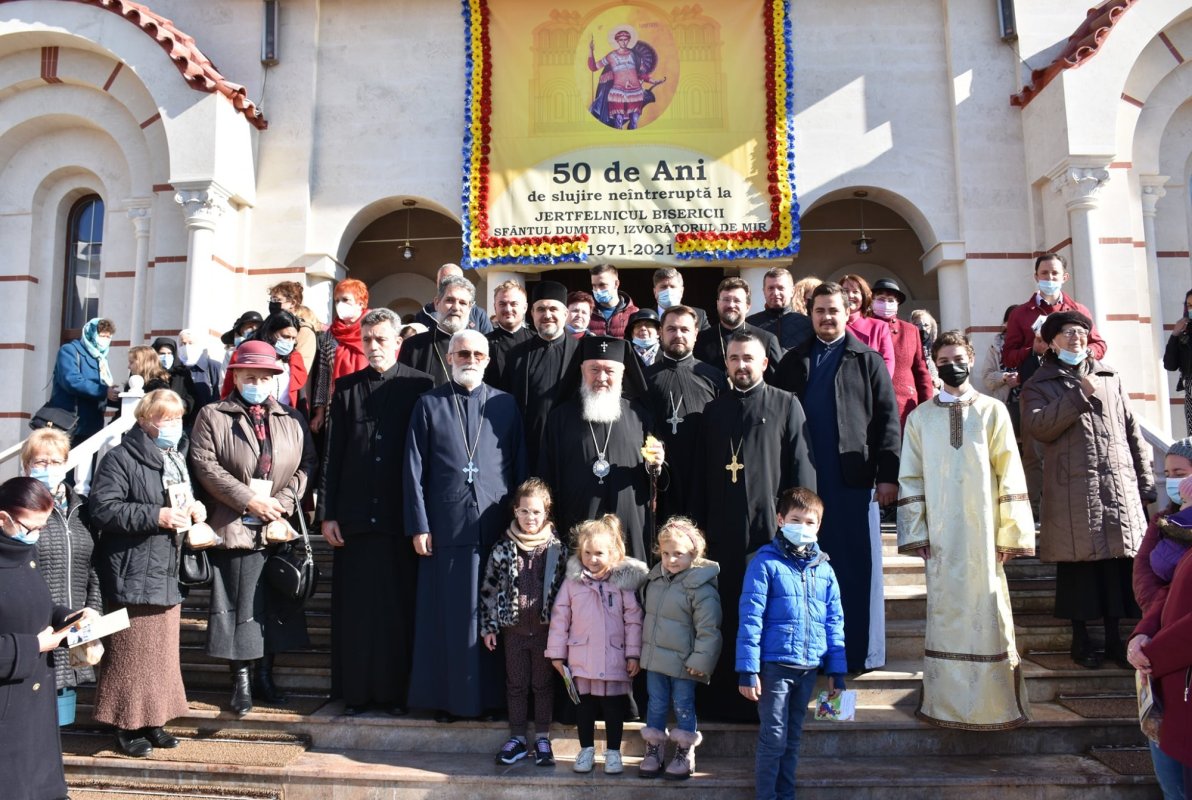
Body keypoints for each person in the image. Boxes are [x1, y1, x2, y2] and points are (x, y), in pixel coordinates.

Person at [897, 330, 1035, 730]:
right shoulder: (921, 418)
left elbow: (1010, 471)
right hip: (941, 539)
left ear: (971, 360)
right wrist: (916, 531)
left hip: (985, 534)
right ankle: (945, 704)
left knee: (989, 613)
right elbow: (910, 477)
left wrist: (1010, 533)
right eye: (943, 360)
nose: (951, 366)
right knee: (946, 615)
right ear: (934, 364)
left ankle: (994, 705)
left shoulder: (993, 411)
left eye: (958, 358)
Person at [774, 282, 901, 674]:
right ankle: (805, 655)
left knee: (850, 570)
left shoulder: (867, 360)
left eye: (833, 310)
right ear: (810, 315)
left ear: (848, 312)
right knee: (802, 571)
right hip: (804, 485)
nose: (827, 318)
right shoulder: (793, 361)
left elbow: (887, 422)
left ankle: (855, 653)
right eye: (819, 311)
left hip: (852, 482)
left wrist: (888, 477)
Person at [404, 330, 528, 721]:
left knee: (493, 614)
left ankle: (493, 701)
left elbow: (520, 463)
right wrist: (419, 524)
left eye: (477, 353)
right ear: (449, 357)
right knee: (450, 616)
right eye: (462, 353)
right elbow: (413, 469)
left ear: (488, 360)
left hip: (495, 525)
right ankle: (449, 701)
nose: (469, 359)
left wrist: (523, 523)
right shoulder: (428, 404)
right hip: (447, 527)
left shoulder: (505, 405)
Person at [1020, 310, 1155, 669]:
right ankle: (1082, 640)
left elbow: (1132, 432)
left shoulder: (1110, 377)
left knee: (1116, 569)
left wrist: (1146, 480)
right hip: (1071, 491)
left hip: (1116, 486)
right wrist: (1078, 395)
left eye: (1081, 332)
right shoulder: (1039, 383)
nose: (1076, 338)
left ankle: (1116, 640)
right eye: (1066, 333)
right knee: (1079, 570)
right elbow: (1039, 427)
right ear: (1050, 342)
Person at [189, 340, 316, 714]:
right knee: (239, 606)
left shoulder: (290, 418)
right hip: (235, 524)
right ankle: (241, 682)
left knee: (274, 606)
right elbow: (205, 465)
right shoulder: (212, 414)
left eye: (264, 376)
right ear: (235, 376)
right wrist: (248, 500)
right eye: (249, 376)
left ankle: (265, 677)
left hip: (277, 525)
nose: (257, 382)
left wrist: (284, 503)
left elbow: (308, 463)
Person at [318, 308, 433, 715]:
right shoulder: (346, 386)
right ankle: (357, 694)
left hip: (398, 519)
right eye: (368, 340)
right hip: (354, 517)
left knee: (397, 612)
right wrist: (328, 512)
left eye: (382, 340)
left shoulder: (422, 385)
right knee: (358, 612)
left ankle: (397, 694)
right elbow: (334, 453)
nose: (374, 347)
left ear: (397, 343)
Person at [697, 331, 816, 720]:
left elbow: (802, 473)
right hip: (721, 535)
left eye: (748, 358)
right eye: (734, 359)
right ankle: (724, 702)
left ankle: (767, 704)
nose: (741, 365)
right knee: (727, 614)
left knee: (767, 617)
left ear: (764, 363)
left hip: (771, 535)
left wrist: (800, 531)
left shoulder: (786, 404)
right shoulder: (713, 412)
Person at [89, 389, 203, 756]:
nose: (172, 425)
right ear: (144, 420)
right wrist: (156, 515)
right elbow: (103, 509)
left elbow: (179, 500)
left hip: (167, 568)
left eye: (177, 418)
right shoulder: (119, 458)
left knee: (162, 655)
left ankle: (155, 721)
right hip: (132, 569)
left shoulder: (175, 459)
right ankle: (125, 725)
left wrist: (194, 510)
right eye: (164, 418)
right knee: (130, 654)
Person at [737, 487, 845, 800]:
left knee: (793, 737)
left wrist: (836, 672)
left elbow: (834, 623)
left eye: (810, 522)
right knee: (774, 737)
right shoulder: (765, 564)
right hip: (775, 667)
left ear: (819, 526)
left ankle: (786, 794)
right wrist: (747, 669)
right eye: (796, 519)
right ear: (781, 520)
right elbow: (751, 618)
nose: (803, 526)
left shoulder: (825, 569)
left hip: (808, 667)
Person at [0, 477, 100, 800]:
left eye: (43, 528)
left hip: (35, 707)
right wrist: (34, 646)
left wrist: (71, 617)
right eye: (32, 528)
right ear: (3, 519)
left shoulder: (25, 553)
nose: (37, 536)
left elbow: (40, 605)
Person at [538, 337, 662, 562]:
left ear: (623, 373)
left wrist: (656, 464)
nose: (601, 377)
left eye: (609, 371)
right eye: (594, 369)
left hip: (628, 522)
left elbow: (655, 471)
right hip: (576, 518)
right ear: (582, 370)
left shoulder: (640, 415)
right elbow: (547, 473)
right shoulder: (560, 417)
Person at [546, 515, 648, 774]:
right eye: (587, 553)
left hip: (614, 657)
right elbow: (560, 617)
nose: (592, 559)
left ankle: (613, 752)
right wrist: (557, 654)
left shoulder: (622, 584)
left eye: (599, 553)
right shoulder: (572, 583)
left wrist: (634, 654)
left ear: (613, 553)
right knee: (585, 707)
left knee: (614, 707)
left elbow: (633, 620)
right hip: (582, 658)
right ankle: (586, 749)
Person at [480, 478, 566, 767]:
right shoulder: (503, 548)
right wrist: (489, 626)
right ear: (515, 511)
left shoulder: (556, 549)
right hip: (513, 632)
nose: (531, 518)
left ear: (547, 513)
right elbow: (489, 590)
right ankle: (517, 737)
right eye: (525, 511)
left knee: (542, 685)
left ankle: (542, 736)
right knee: (516, 684)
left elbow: (566, 592)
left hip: (545, 633)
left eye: (537, 512)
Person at [1128, 441, 1192, 800]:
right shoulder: (1165, 521)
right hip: (1165, 668)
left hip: (1175, 664)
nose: (1173, 482)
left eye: (1180, 475)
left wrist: (1156, 652)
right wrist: (1145, 630)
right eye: (1168, 475)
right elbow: (1151, 578)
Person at [22, 429, 102, 716]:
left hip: (74, 627)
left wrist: (93, 610)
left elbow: (94, 567)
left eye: (55, 462)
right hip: (35, 628)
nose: (48, 469)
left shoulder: (82, 509)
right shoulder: (17, 508)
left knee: (60, 721)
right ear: (26, 465)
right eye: (40, 462)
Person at [638, 517, 721, 781]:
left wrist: (701, 660)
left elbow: (709, 629)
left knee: (684, 705)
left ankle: (685, 752)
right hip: (656, 662)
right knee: (656, 704)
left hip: (685, 664)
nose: (671, 560)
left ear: (694, 554)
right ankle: (654, 749)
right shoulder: (656, 580)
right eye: (665, 553)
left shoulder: (700, 587)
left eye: (678, 554)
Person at [644, 306, 722, 522]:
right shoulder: (644, 379)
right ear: (661, 332)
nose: (678, 335)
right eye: (671, 329)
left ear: (695, 333)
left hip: (702, 474)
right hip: (660, 478)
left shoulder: (714, 377)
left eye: (685, 330)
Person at [508, 281, 582, 466]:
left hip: (570, 447)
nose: (547, 315)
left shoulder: (581, 353)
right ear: (532, 313)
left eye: (553, 309)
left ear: (565, 314)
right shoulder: (516, 355)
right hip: (528, 448)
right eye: (540, 309)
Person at [1001, 253, 1107, 371]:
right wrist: (1033, 350)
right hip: (1035, 382)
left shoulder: (1079, 311)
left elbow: (1100, 345)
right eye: (1044, 273)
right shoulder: (1019, 313)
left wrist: (1085, 351)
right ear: (1036, 277)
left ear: (1065, 277)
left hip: (1074, 380)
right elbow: (1007, 357)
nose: (1050, 277)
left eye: (1055, 273)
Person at [309, 279, 370, 434]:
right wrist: (319, 412)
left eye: (345, 300)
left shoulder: (372, 329)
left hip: (369, 401)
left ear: (361, 303)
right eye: (337, 300)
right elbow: (323, 375)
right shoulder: (330, 334)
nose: (339, 304)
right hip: (336, 405)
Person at [870, 278, 933, 425]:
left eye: (891, 300)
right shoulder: (865, 327)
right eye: (881, 299)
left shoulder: (910, 330)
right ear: (872, 301)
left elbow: (921, 371)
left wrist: (928, 406)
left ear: (897, 304)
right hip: (872, 404)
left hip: (905, 406)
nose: (886, 303)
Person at [694, 277, 782, 382]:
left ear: (748, 306)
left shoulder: (766, 340)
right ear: (718, 303)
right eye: (726, 300)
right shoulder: (700, 340)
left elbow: (778, 384)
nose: (731, 305)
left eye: (737, 300)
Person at [49, 317, 120, 444]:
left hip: (92, 425)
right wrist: (104, 391)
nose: (105, 340)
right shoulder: (70, 350)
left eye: (109, 337)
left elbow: (100, 390)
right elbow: (71, 381)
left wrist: (118, 398)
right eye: (102, 335)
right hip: (69, 423)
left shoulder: (101, 358)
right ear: (91, 333)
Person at [399, 275, 478, 387]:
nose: (456, 307)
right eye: (450, 300)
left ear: (470, 308)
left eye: (463, 303)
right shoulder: (412, 346)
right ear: (436, 303)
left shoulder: (481, 347)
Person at [587, 25, 660, 130]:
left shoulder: (635, 56)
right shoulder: (611, 56)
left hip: (635, 93)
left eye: (626, 40)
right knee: (618, 122)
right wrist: (590, 51)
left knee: (634, 122)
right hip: (618, 94)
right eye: (621, 40)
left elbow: (640, 74)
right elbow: (593, 67)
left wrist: (653, 81)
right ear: (617, 41)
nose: (623, 42)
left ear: (629, 40)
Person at [118, 346, 193, 422]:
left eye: (131, 362)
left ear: (143, 363)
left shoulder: (158, 386)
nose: (128, 366)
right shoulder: (131, 383)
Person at [746, 267, 813, 352]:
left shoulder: (808, 324)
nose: (775, 293)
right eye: (770, 288)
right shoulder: (750, 324)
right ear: (764, 291)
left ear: (792, 291)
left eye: (781, 288)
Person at [841, 274, 895, 378]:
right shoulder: (831, 324)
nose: (850, 295)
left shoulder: (879, 327)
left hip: (869, 388)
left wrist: (880, 388)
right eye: (845, 291)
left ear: (863, 296)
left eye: (855, 292)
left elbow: (888, 361)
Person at [415, 263, 492, 334]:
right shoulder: (423, 315)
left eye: (455, 281)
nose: (455, 307)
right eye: (444, 281)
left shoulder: (478, 314)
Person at [485, 280, 534, 390]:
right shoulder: (483, 343)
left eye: (514, 304)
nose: (508, 309)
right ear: (495, 307)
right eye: (502, 304)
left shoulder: (537, 341)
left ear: (525, 308)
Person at [268, 280, 318, 374]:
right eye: (271, 300)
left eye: (276, 300)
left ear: (293, 303)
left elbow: (301, 368)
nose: (272, 304)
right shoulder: (269, 325)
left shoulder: (304, 331)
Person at [151, 338, 201, 427]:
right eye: (162, 353)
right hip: (154, 423)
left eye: (169, 353)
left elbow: (192, 397)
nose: (166, 356)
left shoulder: (182, 373)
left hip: (179, 422)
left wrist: (182, 403)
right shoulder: (149, 373)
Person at [178, 329, 225, 418]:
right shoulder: (177, 369)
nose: (186, 347)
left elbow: (220, 397)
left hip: (208, 421)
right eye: (183, 344)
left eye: (190, 343)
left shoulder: (213, 366)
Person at [1163, 289, 1192, 434]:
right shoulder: (1184, 334)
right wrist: (1175, 334)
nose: (1191, 309)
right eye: (1189, 305)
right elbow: (1170, 364)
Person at [981, 305, 1020, 406]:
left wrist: (1022, 378)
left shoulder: (1034, 345)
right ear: (1005, 324)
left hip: (1030, 404)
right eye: (1013, 322)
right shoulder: (995, 347)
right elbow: (987, 379)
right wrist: (1005, 377)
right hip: (1004, 405)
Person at [587, 264, 639, 338]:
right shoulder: (586, 312)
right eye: (594, 286)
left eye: (602, 285)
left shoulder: (633, 313)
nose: (597, 290)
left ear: (616, 284)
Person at [911, 309, 940, 386]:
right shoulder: (908, 347)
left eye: (926, 325)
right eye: (918, 325)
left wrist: (938, 382)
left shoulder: (937, 349)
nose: (922, 328)